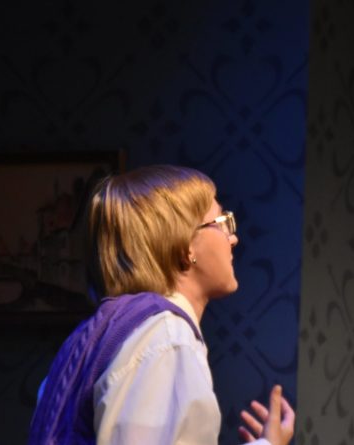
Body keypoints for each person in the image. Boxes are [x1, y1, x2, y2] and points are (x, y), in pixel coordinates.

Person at [29, 165, 295, 445]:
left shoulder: (99, 334)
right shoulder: (166, 337)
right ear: (186, 245)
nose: (233, 238)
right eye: (220, 223)